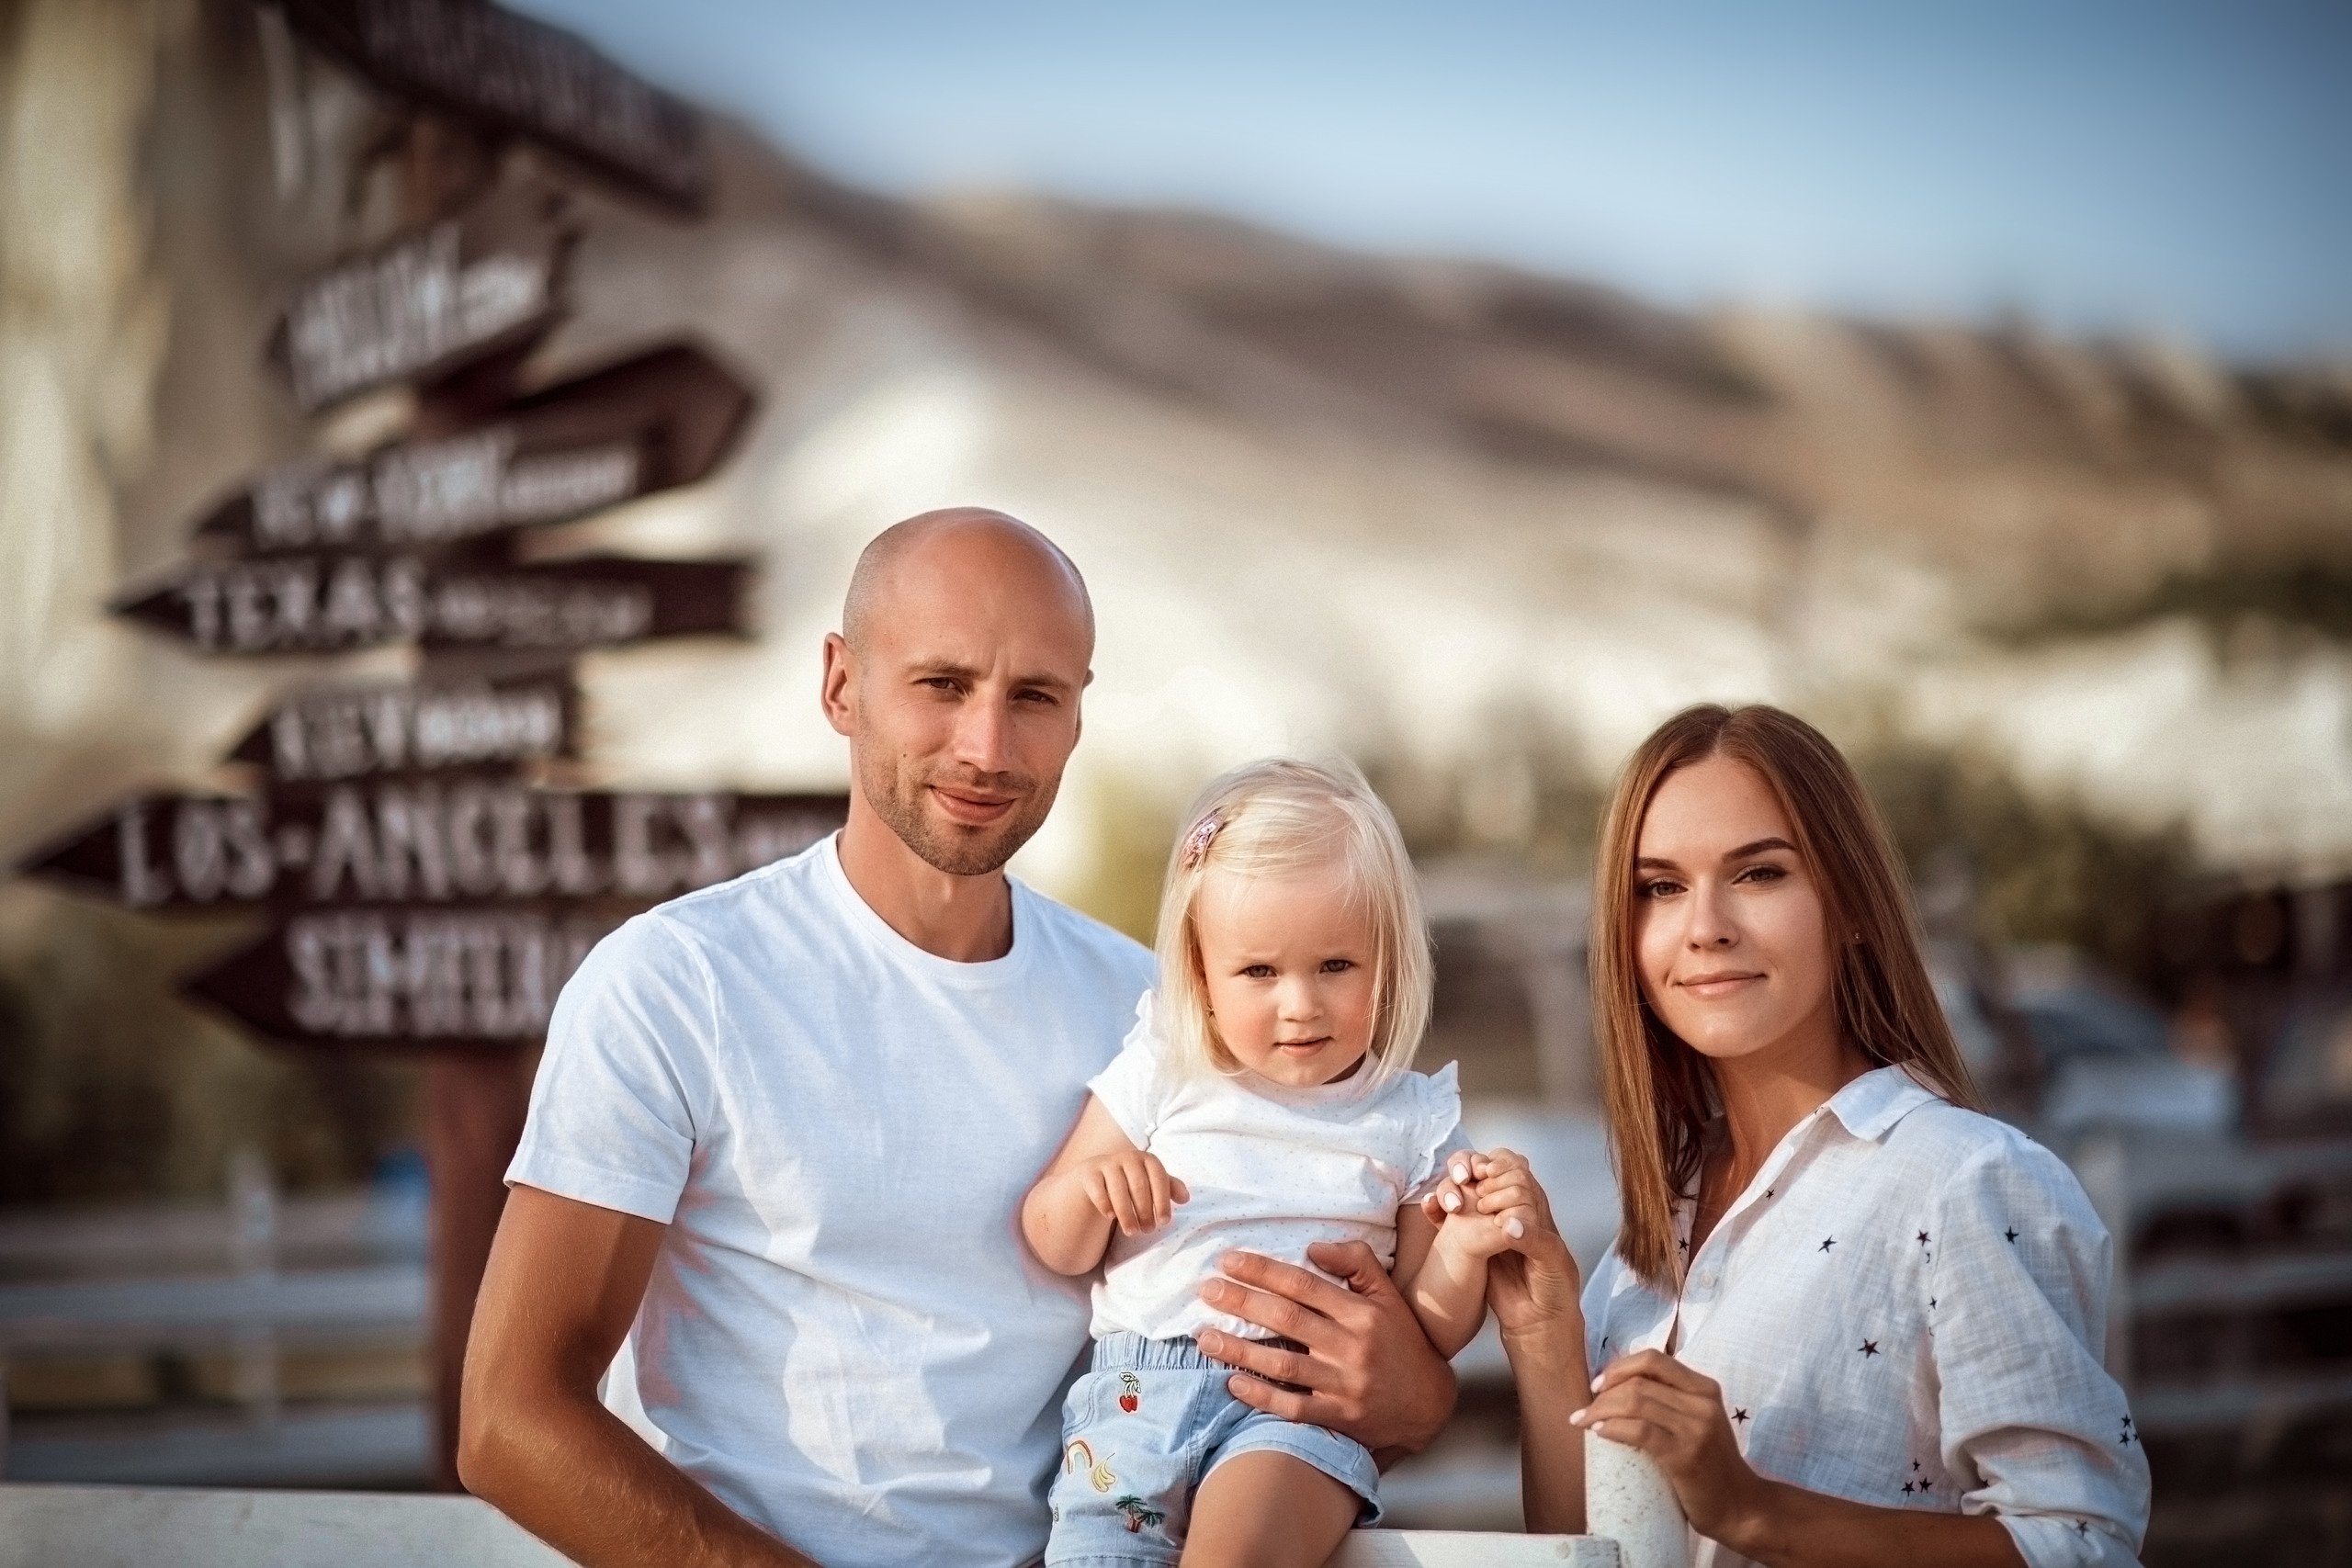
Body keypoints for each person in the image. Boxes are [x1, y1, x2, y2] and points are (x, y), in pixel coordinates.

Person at [455, 509, 1459, 1568]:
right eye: (942, 685)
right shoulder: (677, 983)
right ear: (842, 684)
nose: (986, 747)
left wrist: (1413, 1393)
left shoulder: (1161, 1017)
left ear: (1077, 718)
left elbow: (1298, 1383)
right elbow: (508, 1421)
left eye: (1034, 697)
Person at [1459, 704, 2151, 1567]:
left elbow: (2081, 1543)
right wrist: (1545, 1340)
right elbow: (1594, 1550)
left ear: (1852, 903)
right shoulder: (1647, 1242)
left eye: (1758, 874)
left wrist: (1758, 1511)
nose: (1705, 925)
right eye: (1661, 887)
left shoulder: (1966, 1180)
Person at [1021, 760, 1554, 1567]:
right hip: (1129, 1406)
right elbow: (1051, 1233)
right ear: (1201, 977)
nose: (1300, 1002)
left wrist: (1463, 1249)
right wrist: (1094, 1191)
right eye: (1260, 971)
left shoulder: (1411, 1118)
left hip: (1293, 1412)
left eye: (1336, 966)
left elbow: (1427, 1327)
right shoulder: (1165, 1066)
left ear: (1389, 962)